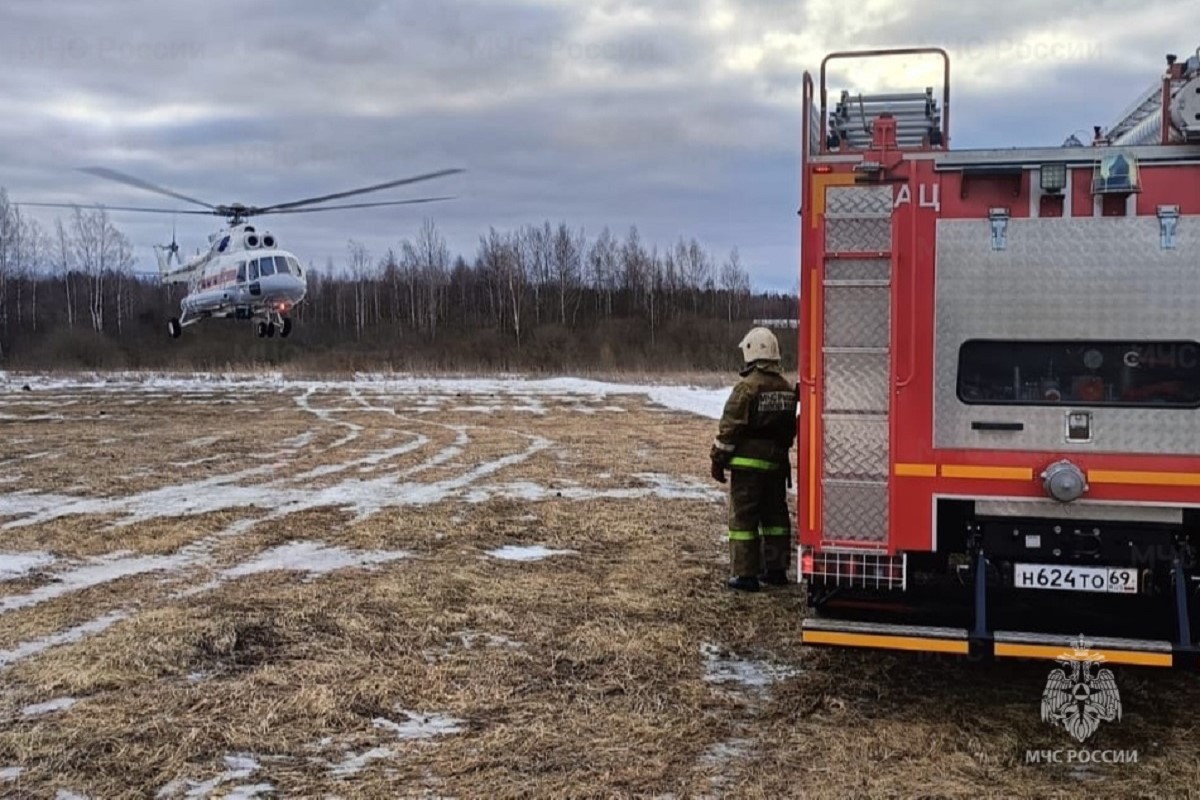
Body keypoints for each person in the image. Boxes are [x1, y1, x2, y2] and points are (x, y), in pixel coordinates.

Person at [709, 327, 798, 592]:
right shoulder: (787, 388)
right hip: (777, 465)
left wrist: (717, 460)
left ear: (751, 352)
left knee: (744, 520)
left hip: (748, 468)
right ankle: (776, 570)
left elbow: (730, 428)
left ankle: (745, 574)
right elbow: (789, 429)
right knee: (775, 518)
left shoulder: (746, 388)